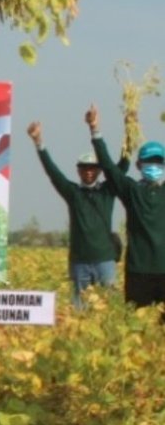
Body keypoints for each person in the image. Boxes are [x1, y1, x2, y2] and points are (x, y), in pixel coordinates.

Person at [27, 120, 128, 308]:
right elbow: (52, 172)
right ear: (78, 170)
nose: (88, 172)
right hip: (79, 262)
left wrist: (130, 132)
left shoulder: (108, 191)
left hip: (105, 261)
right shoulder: (73, 193)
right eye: (84, 168)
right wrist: (39, 143)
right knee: (79, 311)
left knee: (108, 310)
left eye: (92, 168)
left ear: (99, 171)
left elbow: (122, 167)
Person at [85, 104, 165, 314]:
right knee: (135, 329)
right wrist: (95, 130)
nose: (154, 166)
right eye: (149, 162)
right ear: (139, 166)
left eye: (158, 162)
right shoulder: (132, 190)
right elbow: (110, 168)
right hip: (138, 272)